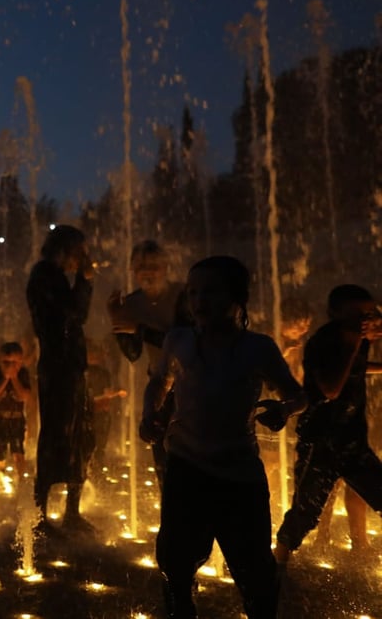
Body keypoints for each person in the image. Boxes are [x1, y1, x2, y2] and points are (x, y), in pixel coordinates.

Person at [143, 256, 306, 619]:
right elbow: (159, 382)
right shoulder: (179, 340)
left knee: (254, 572)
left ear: (237, 298)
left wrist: (284, 411)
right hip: (186, 468)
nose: (199, 301)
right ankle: (181, 609)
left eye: (211, 292)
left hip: (239, 475)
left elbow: (298, 394)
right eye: (193, 292)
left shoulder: (257, 348)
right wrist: (149, 415)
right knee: (174, 561)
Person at [274, 285, 382, 563]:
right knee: (306, 509)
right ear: (335, 314)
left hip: (351, 442)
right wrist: (355, 342)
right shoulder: (326, 341)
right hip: (320, 441)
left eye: (371, 313)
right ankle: (277, 562)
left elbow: (355, 368)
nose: (369, 320)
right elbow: (331, 388)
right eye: (361, 314)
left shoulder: (354, 339)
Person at [27, 224, 95, 534]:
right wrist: (85, 280)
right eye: (79, 251)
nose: (83, 258)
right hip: (58, 369)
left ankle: (70, 512)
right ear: (65, 249)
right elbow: (76, 315)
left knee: (79, 434)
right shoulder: (45, 276)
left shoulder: (51, 277)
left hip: (69, 367)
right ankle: (40, 514)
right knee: (57, 434)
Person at [108, 239, 187, 484]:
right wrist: (117, 320)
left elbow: (184, 343)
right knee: (162, 458)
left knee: (190, 458)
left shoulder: (182, 296)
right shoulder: (132, 303)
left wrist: (139, 329)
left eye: (153, 264)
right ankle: (171, 516)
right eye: (141, 265)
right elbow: (132, 354)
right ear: (132, 269)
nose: (147, 271)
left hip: (192, 386)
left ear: (165, 267)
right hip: (158, 386)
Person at [0, 341, 32, 477]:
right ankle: (2, 473)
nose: (11, 366)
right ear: (0, 361)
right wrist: (6, 378)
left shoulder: (23, 374)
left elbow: (25, 396)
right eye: (6, 362)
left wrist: (14, 378)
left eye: (15, 363)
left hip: (16, 420)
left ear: (20, 362)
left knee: (18, 451)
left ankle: (21, 481)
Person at [86, 342, 127, 469]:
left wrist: (113, 394)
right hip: (97, 415)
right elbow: (106, 395)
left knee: (95, 448)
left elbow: (106, 394)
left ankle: (92, 474)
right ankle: (95, 473)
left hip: (95, 415)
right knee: (97, 448)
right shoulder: (94, 372)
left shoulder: (98, 373)